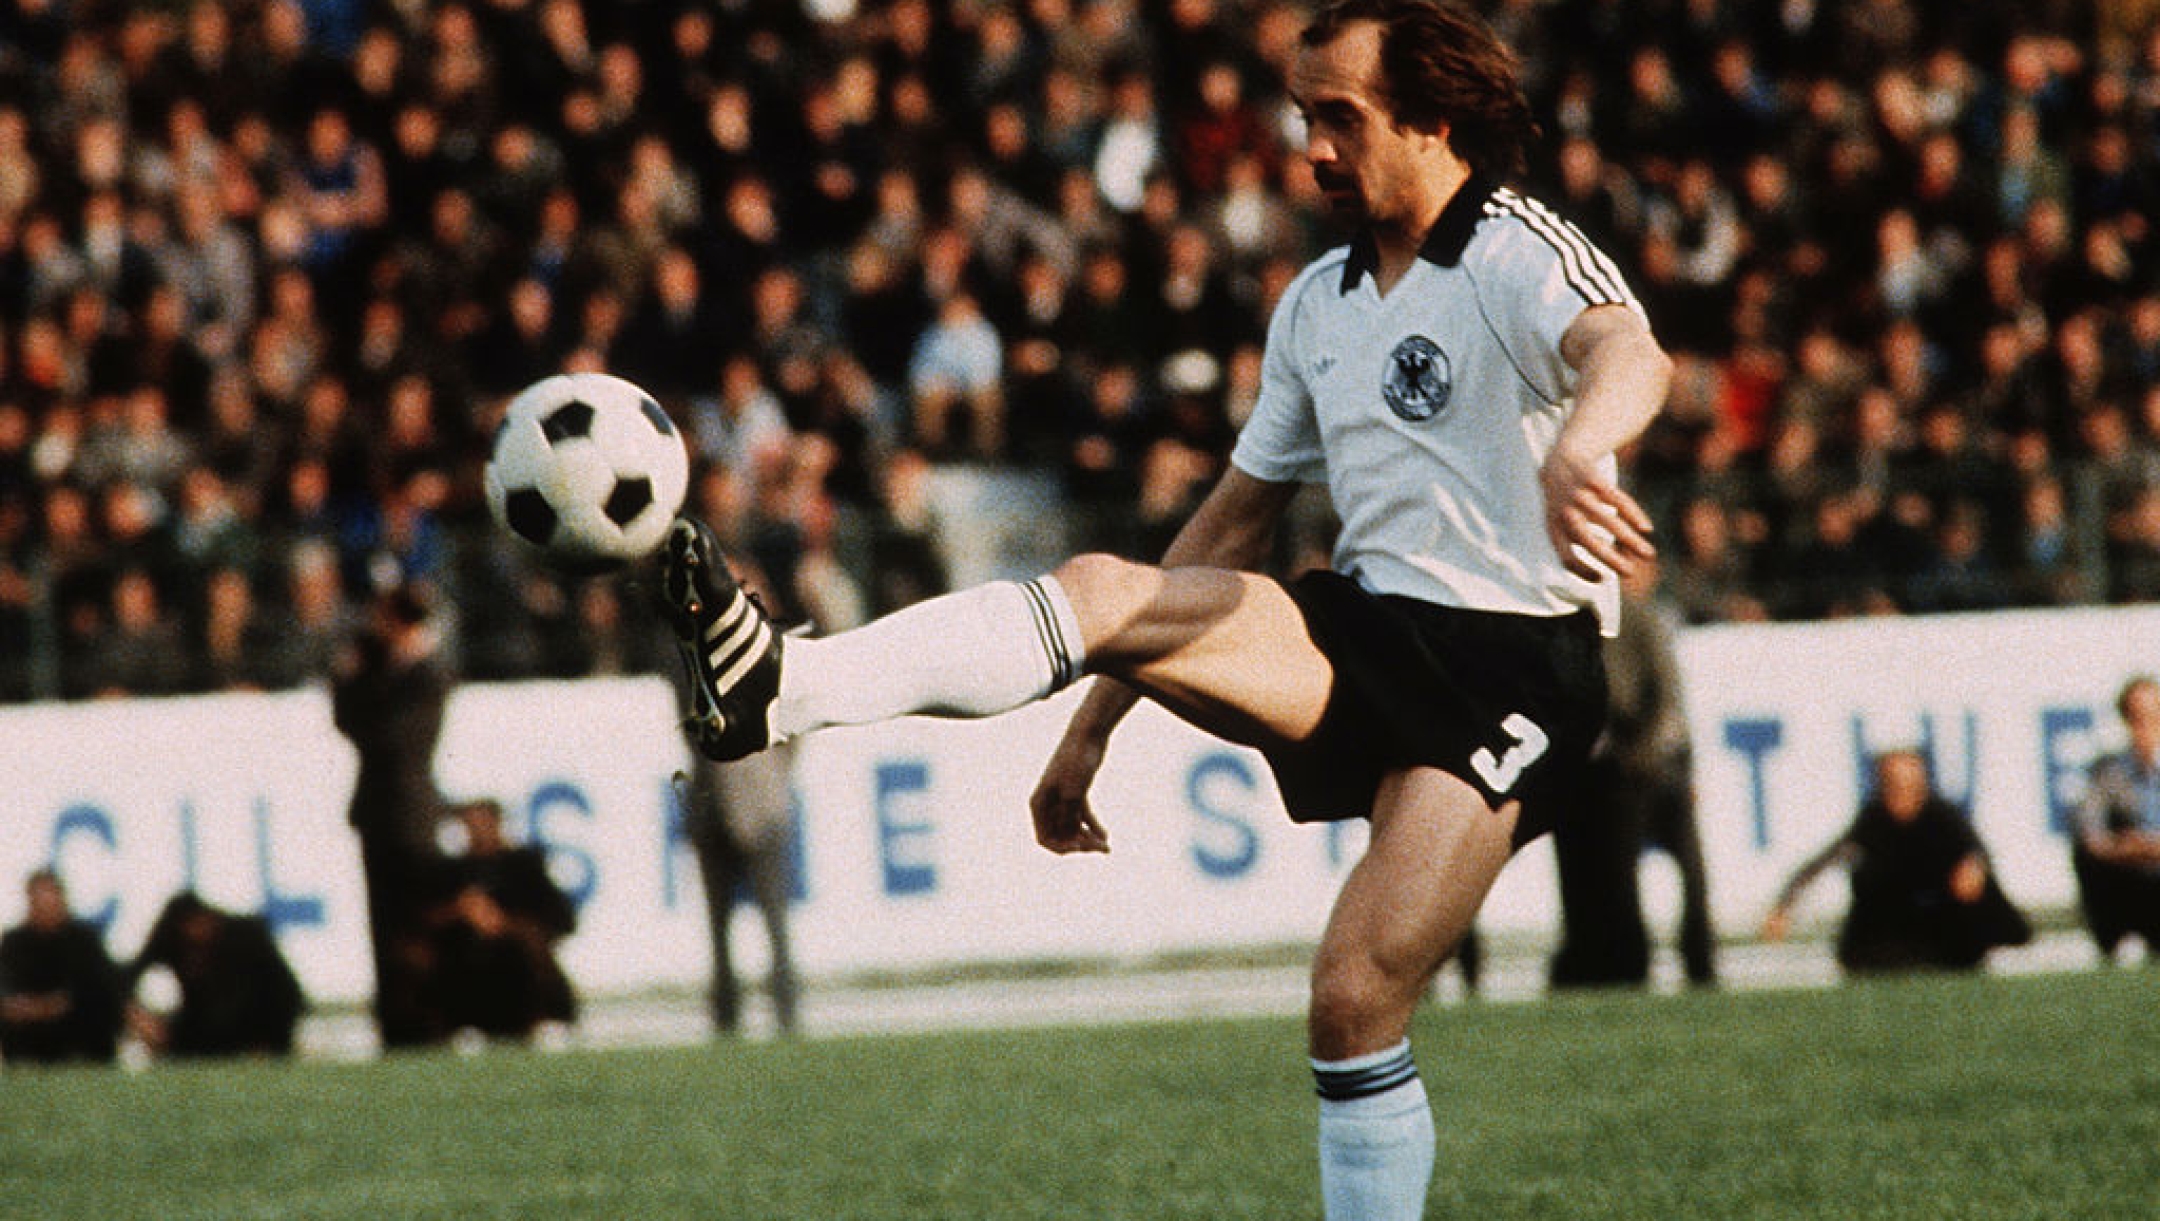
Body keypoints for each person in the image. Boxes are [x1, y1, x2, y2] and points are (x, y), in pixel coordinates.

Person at [656, 3, 1671, 1216]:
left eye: (1340, 119)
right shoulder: (1318, 304)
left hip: (1519, 664)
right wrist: (1092, 727)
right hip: (1367, 630)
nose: (1313, 152)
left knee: (1353, 998)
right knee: (1100, 585)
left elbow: (1631, 351)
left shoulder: (1514, 248)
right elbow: (1238, 516)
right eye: (1305, 120)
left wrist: (1581, 451)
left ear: (1432, 118)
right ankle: (787, 688)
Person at [1549, 555, 1717, 989]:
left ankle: (1629, 960)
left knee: (1615, 871)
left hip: (1637, 768)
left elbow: (1659, 700)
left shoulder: (1628, 617)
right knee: (1618, 872)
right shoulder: (1619, 617)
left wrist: (1633, 759)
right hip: (1627, 764)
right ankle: (1646, 961)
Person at [1761, 749, 2029, 975]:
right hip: (1890, 928)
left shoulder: (1943, 818)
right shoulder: (1872, 823)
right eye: (1895, 785)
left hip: (1944, 921)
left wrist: (1974, 868)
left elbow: (1977, 852)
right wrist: (1784, 906)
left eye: (1911, 786)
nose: (1903, 794)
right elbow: (1823, 862)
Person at [331, 582, 452, 1050]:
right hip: (382, 811)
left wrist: (359, 685)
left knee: (417, 921)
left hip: (409, 812)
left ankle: (426, 1018)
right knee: (384, 923)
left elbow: (390, 738)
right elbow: (353, 724)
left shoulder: (427, 675)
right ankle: (397, 1022)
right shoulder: (389, 672)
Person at [424, 798, 579, 1043]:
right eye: (471, 824)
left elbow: (561, 918)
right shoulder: (452, 872)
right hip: (466, 959)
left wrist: (503, 922)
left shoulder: (524, 867)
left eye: (484, 822)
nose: (478, 830)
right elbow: (426, 920)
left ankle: (543, 1019)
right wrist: (462, 910)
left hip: (518, 961)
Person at [680, 744, 802, 1039]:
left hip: (759, 808)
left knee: (774, 923)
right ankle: (727, 1016)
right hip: (714, 815)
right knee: (721, 929)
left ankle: (784, 1012)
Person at [124, 892, 305, 1059]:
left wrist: (268, 1042)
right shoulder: (171, 936)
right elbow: (125, 979)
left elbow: (288, 994)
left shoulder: (246, 937)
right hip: (200, 1038)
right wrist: (139, 1018)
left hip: (255, 1029)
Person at [2068, 674, 2160, 961]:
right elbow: (2091, 837)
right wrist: (2132, 848)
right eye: (2137, 718)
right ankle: (2119, 936)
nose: (2146, 728)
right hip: (2134, 878)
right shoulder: (2108, 772)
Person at [0, 869, 123, 1066]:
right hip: (29, 1031)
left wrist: (58, 1004)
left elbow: (99, 987)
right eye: (39, 898)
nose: (46, 905)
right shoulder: (14, 942)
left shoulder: (84, 939)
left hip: (76, 1027)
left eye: (51, 896)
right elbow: (7, 989)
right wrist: (28, 1007)